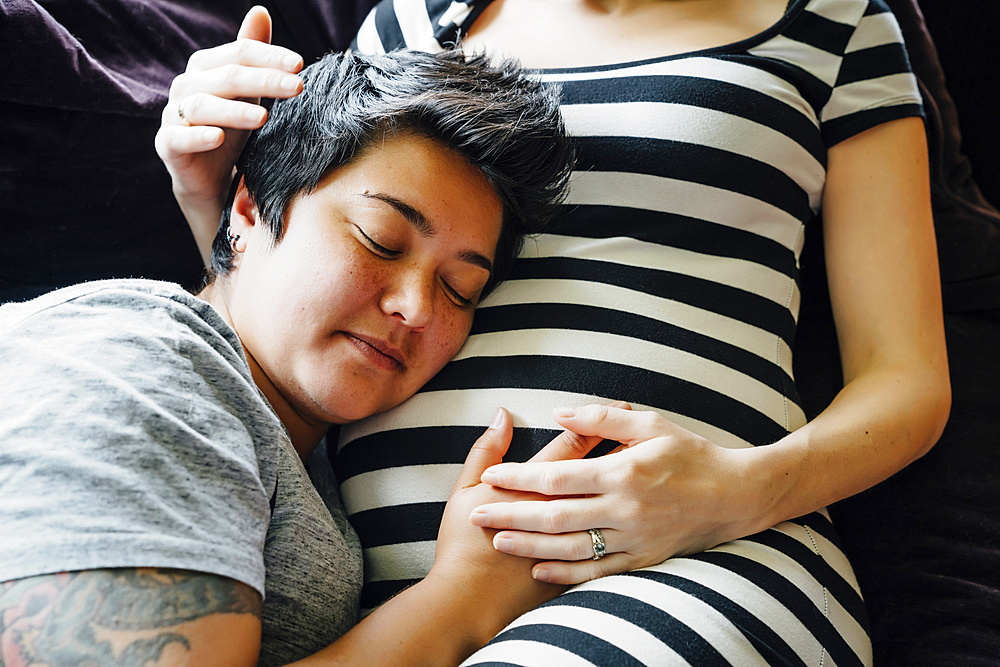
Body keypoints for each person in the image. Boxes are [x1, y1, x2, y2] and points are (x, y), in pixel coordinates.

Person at [159, 1, 952, 664]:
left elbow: (906, 375)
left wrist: (731, 495)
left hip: (701, 561)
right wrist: (208, 191)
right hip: (400, 616)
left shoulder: (836, 20)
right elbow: (307, 289)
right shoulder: (409, 21)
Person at [0, 45, 578, 667]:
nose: (417, 307)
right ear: (249, 207)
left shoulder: (299, 448)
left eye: (458, 289)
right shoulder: (145, 364)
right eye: (380, 241)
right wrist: (464, 602)